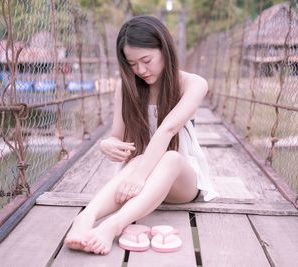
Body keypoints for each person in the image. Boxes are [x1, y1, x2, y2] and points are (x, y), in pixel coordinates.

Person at [64, 15, 219, 255]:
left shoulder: (193, 83)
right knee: (138, 159)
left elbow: (167, 129)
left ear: (164, 49)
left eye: (146, 60)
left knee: (170, 158)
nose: (140, 70)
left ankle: (112, 226)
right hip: (138, 181)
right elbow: (117, 135)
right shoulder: (127, 87)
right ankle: (84, 219)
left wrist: (138, 177)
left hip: (179, 182)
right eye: (132, 64)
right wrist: (108, 144)